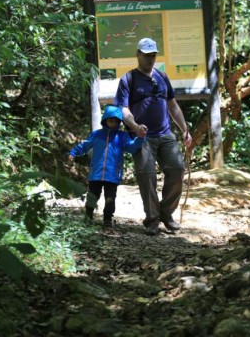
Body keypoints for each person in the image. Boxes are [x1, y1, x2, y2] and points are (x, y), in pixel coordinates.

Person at [114, 37, 193, 236]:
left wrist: (184, 129)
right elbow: (123, 109)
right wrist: (134, 126)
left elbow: (173, 105)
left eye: (153, 55)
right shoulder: (128, 79)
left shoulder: (162, 77)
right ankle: (152, 219)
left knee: (177, 169)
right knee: (146, 174)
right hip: (141, 136)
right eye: (147, 55)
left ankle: (166, 214)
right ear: (138, 54)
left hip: (165, 133)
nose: (150, 59)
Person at [68, 105, 145, 228]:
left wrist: (140, 138)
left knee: (110, 199)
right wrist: (73, 152)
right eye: (110, 120)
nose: (113, 123)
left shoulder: (122, 136)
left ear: (119, 122)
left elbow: (131, 147)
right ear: (105, 120)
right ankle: (88, 216)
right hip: (96, 173)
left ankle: (107, 220)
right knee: (92, 196)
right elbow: (85, 146)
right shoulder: (96, 134)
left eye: (116, 121)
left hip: (113, 174)